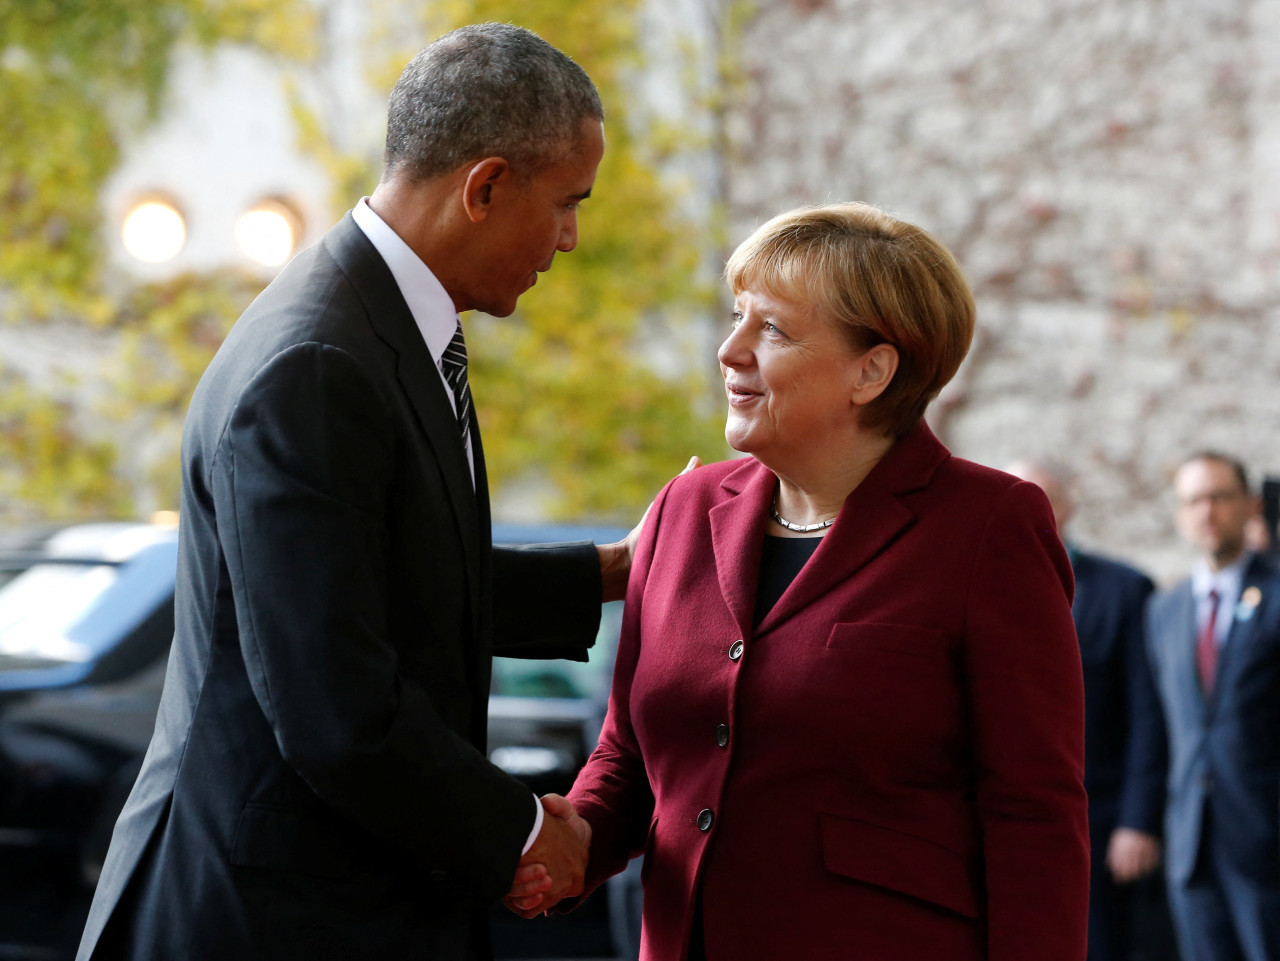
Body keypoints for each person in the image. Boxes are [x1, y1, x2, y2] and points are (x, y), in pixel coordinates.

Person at [78, 23, 625, 961]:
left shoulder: (373, 322)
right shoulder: (320, 362)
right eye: (567, 203)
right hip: (264, 921)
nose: (570, 238)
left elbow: (390, 577)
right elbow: (337, 712)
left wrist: (614, 573)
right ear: (485, 187)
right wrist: (528, 832)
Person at [513, 202, 1091, 960]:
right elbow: (626, 751)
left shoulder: (990, 525)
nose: (730, 349)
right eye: (736, 317)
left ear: (872, 370)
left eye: (773, 330)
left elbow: (1034, 809)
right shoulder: (685, 507)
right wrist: (575, 836)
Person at [1007, 459, 1172, 961]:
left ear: (1069, 503)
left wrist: (1137, 821)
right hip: (1006, 823)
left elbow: (1148, 714)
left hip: (1099, 822)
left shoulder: (1125, 590)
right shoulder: (973, 584)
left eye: (1041, 498)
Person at [1145, 452, 1280, 961]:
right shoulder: (1164, 609)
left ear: (1249, 506)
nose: (1207, 512)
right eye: (1194, 500)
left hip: (1266, 841)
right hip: (1191, 845)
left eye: (1220, 497)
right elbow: (1162, 728)